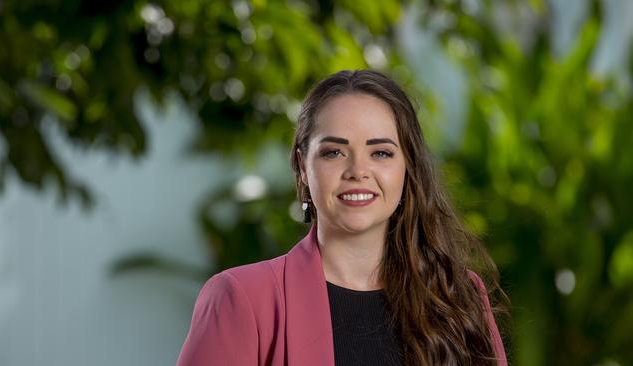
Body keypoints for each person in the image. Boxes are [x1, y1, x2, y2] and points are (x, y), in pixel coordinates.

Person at [176, 70, 508, 366]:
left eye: (380, 153)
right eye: (334, 152)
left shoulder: (458, 295)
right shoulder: (242, 298)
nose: (358, 171)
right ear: (303, 166)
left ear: (408, 167)